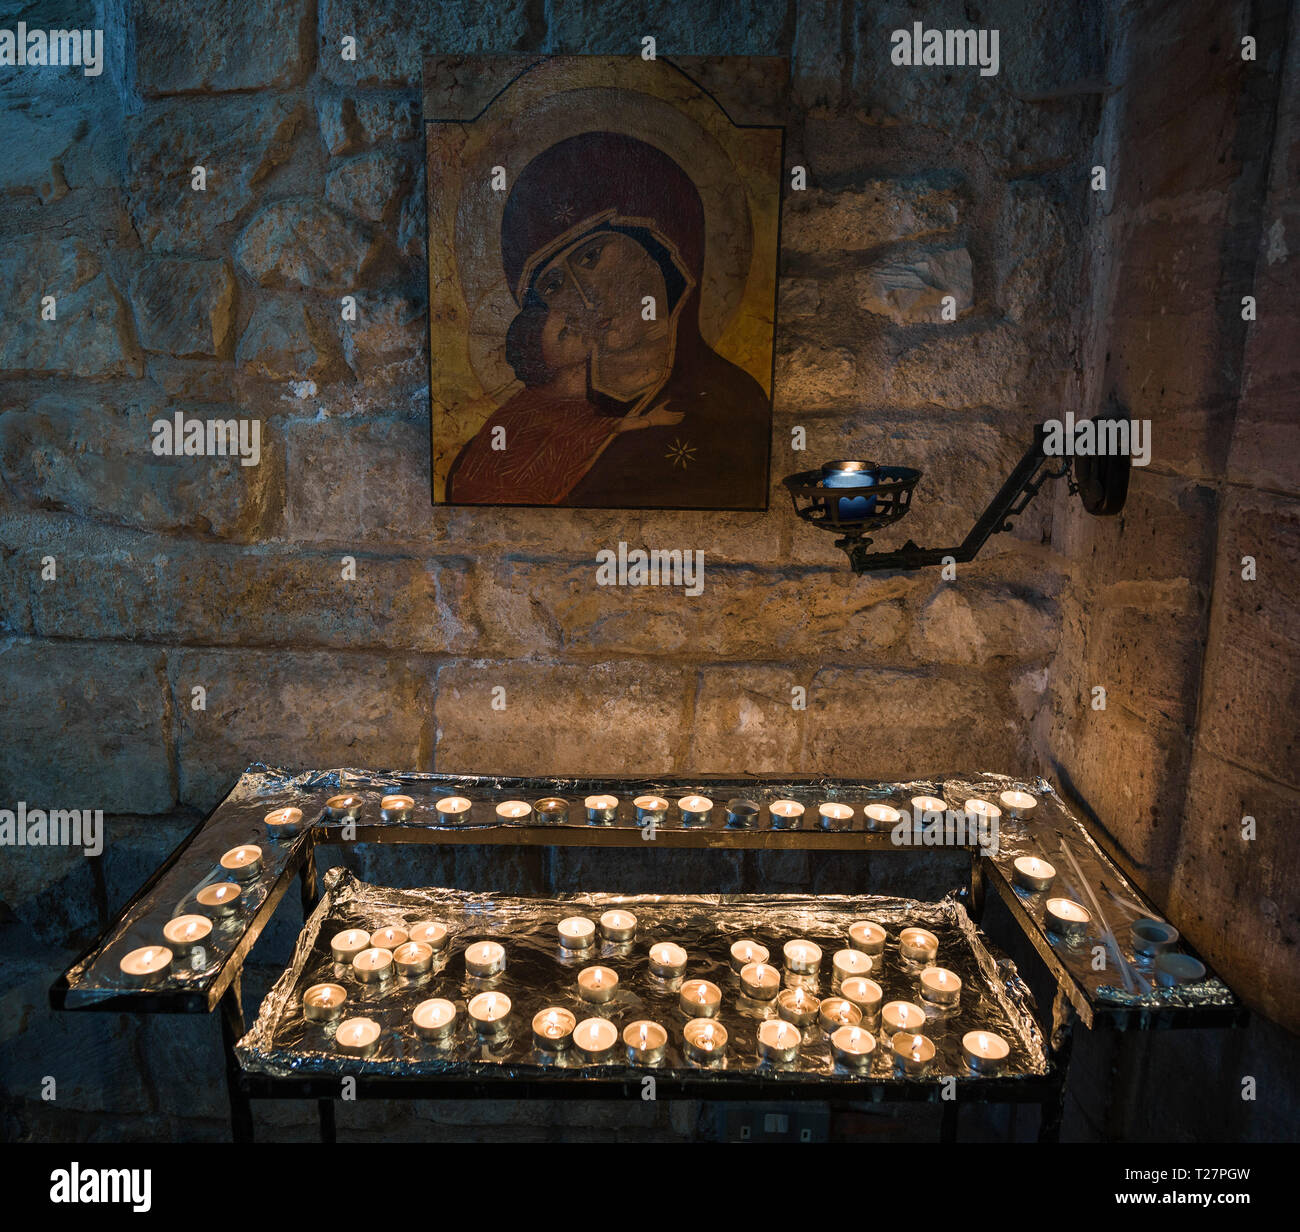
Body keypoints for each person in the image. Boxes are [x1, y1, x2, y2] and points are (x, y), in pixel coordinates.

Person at [445, 131, 770, 508]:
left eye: (591, 257)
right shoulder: (507, 441)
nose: (585, 298)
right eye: (553, 285)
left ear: (662, 242)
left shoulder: (733, 408)